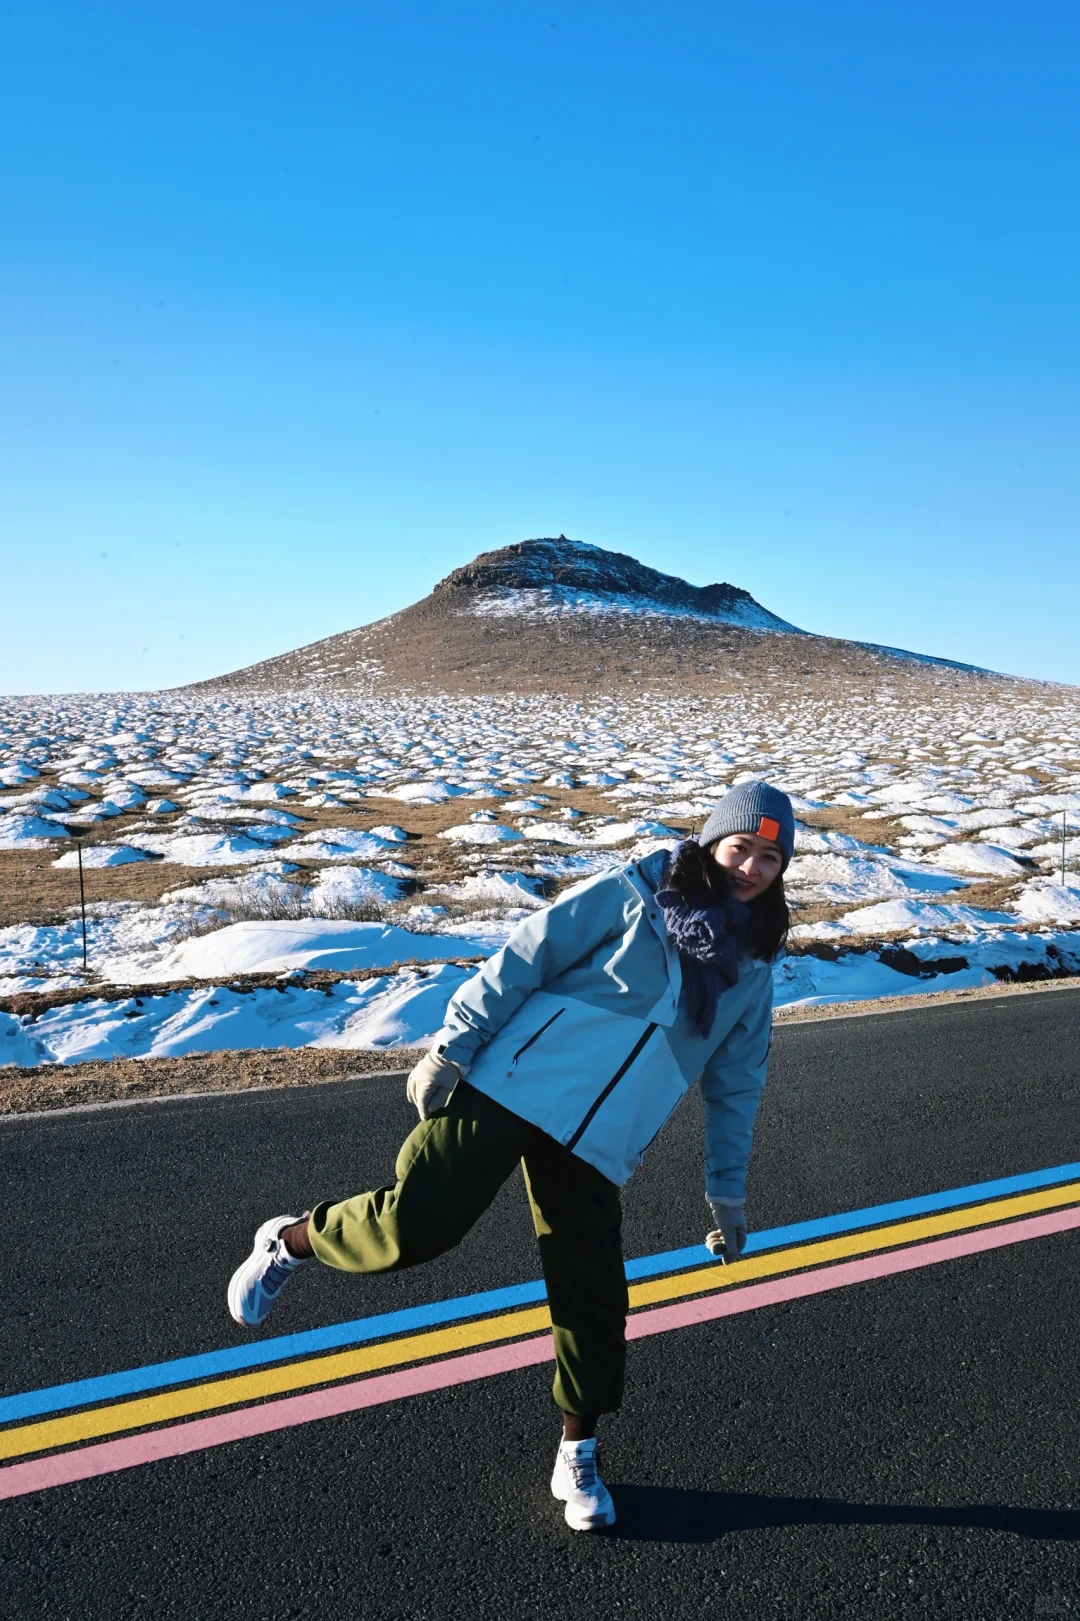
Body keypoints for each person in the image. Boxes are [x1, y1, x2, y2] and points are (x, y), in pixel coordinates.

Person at [227, 780, 793, 1531]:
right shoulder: (638, 890)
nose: (752, 866)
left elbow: (737, 1085)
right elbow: (528, 954)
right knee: (417, 1224)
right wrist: (452, 1045)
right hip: (510, 1083)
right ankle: (293, 1238)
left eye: (770, 856)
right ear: (712, 840)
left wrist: (726, 1192)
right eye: (740, 847)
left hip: (598, 1140)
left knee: (592, 1298)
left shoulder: (752, 968)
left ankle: (578, 1454)